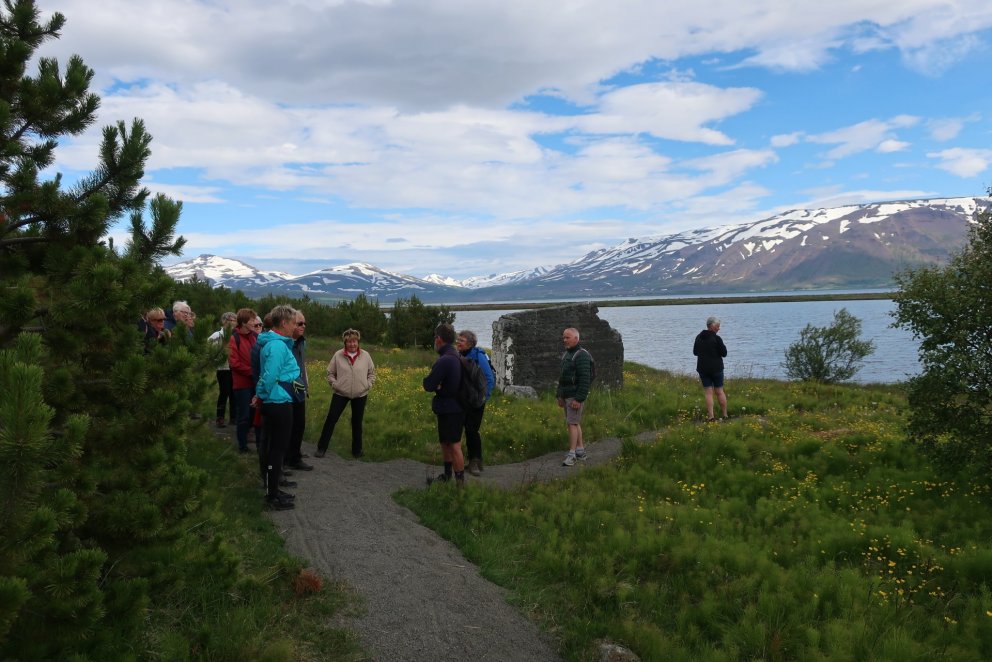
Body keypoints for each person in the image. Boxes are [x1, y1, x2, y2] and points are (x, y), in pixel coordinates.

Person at [253, 305, 302, 511]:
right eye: (293, 323)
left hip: (276, 400)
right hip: (278, 403)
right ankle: (272, 496)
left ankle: (273, 490)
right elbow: (270, 375)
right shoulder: (278, 346)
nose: (294, 327)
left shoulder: (274, 344)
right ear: (283, 323)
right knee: (277, 449)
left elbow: (267, 374)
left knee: (274, 448)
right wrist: (262, 396)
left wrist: (260, 395)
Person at [314, 328, 376, 459]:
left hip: (360, 394)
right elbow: (330, 373)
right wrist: (335, 385)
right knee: (331, 419)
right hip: (340, 393)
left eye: (354, 341)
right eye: (349, 342)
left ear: (358, 342)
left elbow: (372, 373)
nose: (352, 344)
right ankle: (321, 448)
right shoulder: (338, 355)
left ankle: (357, 451)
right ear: (345, 343)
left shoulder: (365, 355)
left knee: (357, 422)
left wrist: (368, 385)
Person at [422, 323, 466, 486]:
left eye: (435, 337)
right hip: (453, 407)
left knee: (454, 445)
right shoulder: (454, 355)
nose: (434, 340)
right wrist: (438, 384)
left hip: (451, 409)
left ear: (438, 339)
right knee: (445, 443)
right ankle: (447, 476)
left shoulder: (445, 360)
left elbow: (428, 385)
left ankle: (460, 484)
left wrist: (436, 384)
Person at [456, 329, 494, 476]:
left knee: (472, 431)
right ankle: (470, 461)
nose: (458, 342)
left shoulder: (478, 356)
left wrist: (484, 398)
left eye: (461, 340)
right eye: (458, 339)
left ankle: (475, 463)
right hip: (463, 400)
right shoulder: (459, 355)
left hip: (476, 401)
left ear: (470, 343)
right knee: (465, 430)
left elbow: (489, 378)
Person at [557, 327, 591, 467]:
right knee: (574, 422)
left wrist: (579, 399)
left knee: (572, 423)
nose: (564, 340)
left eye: (568, 337)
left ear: (576, 339)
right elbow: (562, 377)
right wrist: (559, 395)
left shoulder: (581, 355)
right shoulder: (567, 354)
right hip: (566, 396)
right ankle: (580, 451)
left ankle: (572, 455)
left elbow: (585, 379)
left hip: (574, 396)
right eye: (564, 337)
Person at [284, 311, 313, 471]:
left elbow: (302, 365)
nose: (303, 326)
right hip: (286, 391)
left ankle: (295, 457)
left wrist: (306, 385)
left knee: (299, 425)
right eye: (299, 323)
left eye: (304, 323)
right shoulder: (284, 343)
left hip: (299, 390)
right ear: (290, 324)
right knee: (286, 427)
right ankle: (283, 460)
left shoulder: (302, 342)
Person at [228, 308, 260, 453]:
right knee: (244, 415)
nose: (255, 322)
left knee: (254, 414)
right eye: (252, 320)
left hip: (255, 383)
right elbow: (233, 363)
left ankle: (253, 440)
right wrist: (252, 371)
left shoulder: (254, 337)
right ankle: (242, 446)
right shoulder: (234, 338)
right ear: (244, 322)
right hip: (242, 385)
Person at [693, 316, 728, 422]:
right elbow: (724, 353)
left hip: (703, 369)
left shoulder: (698, 337)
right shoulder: (717, 338)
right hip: (716, 369)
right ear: (712, 326)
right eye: (717, 326)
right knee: (719, 391)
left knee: (708, 392)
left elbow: (695, 352)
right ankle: (725, 415)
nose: (719, 328)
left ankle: (711, 417)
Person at [208, 312, 237, 427]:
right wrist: (216, 360)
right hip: (223, 368)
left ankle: (233, 417)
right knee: (224, 392)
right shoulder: (217, 335)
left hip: (234, 368)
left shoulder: (235, 335)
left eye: (234, 320)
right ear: (224, 321)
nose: (233, 323)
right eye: (230, 320)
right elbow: (208, 348)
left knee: (234, 393)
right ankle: (220, 418)